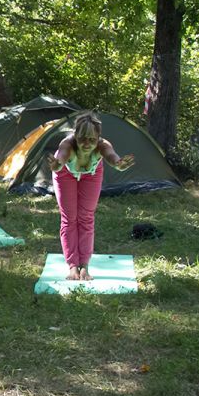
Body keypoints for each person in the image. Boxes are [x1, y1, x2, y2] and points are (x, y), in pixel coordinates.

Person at [47, 111, 135, 282]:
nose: (87, 144)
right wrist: (57, 166)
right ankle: (73, 266)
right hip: (64, 172)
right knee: (69, 218)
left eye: (92, 140)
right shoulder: (67, 144)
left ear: (98, 138)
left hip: (91, 174)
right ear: (76, 136)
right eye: (82, 139)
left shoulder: (103, 145)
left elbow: (112, 157)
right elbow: (61, 160)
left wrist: (119, 165)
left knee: (86, 217)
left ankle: (85, 267)